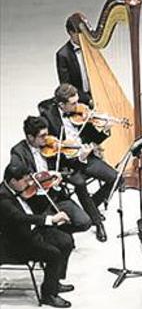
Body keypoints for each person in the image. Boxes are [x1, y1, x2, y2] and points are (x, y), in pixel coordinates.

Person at [38, 83, 117, 241]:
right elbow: (48, 147)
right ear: (61, 105)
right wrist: (69, 152)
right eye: (73, 103)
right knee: (80, 184)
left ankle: (92, 206)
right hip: (66, 163)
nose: (78, 106)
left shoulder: (81, 112)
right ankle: (97, 222)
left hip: (85, 156)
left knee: (116, 178)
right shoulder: (47, 117)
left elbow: (94, 137)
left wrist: (106, 129)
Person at [0, 162, 74, 308]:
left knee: (66, 241)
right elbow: (20, 218)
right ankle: (48, 295)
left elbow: (39, 205)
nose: (29, 183)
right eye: (25, 180)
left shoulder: (19, 189)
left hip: (32, 231)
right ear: (13, 181)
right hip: (17, 242)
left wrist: (54, 186)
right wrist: (50, 219)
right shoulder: (3, 198)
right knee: (54, 254)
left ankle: (54, 282)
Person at [9, 116, 93, 236]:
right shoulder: (18, 152)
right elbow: (19, 178)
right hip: (37, 200)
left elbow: (69, 169)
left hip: (56, 195)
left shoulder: (52, 146)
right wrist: (46, 176)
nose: (47, 138)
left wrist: (81, 157)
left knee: (85, 222)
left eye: (47, 134)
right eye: (42, 136)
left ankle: (61, 231)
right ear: (30, 137)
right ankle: (56, 232)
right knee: (49, 231)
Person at [55, 12, 92, 106]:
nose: (85, 36)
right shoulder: (63, 55)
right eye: (81, 33)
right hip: (78, 100)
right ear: (71, 33)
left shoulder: (91, 48)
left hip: (95, 93)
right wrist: (88, 100)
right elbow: (67, 87)